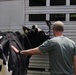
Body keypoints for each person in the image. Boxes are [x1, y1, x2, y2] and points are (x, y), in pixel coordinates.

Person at [11, 21, 76, 75]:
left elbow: (34, 51)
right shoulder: (72, 43)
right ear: (63, 30)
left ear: (53, 30)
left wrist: (19, 52)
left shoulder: (52, 42)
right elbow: (75, 62)